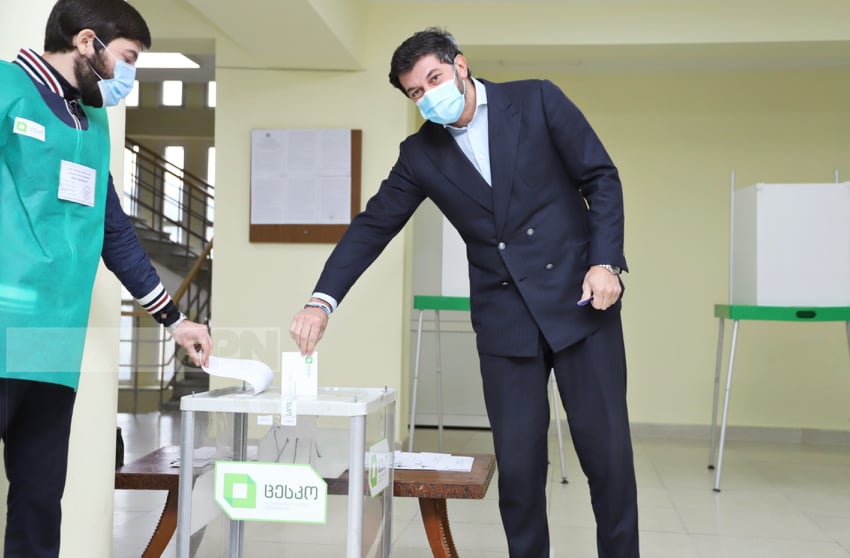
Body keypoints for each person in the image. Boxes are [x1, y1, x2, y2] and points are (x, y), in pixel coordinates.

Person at [289, 27, 639, 557]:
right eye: (416, 92)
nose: (429, 95)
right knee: (519, 473)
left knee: (607, 459)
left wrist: (605, 262)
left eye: (434, 78)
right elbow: (374, 225)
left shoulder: (537, 100)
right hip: (505, 319)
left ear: (460, 65)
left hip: (581, 302)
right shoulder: (420, 155)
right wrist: (322, 300)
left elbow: (601, 178)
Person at [0, 1, 212, 556]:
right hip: (2, 322)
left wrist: (176, 320)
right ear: (86, 41)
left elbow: (112, 230)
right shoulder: (5, 87)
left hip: (54, 337)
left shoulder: (91, 123)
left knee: (40, 497)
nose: (130, 73)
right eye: (128, 58)